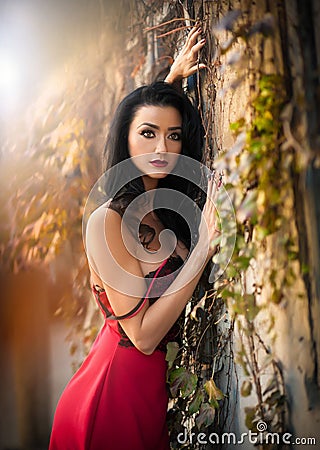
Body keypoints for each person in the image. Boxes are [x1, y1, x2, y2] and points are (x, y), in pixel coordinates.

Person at [49, 25, 220, 450]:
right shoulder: (108, 221)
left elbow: (152, 136)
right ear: (125, 139)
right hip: (112, 393)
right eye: (147, 133)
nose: (162, 146)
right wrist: (204, 248)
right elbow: (142, 337)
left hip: (149, 391)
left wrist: (171, 83)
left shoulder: (157, 203)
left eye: (174, 135)